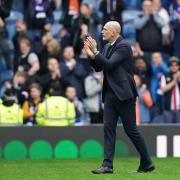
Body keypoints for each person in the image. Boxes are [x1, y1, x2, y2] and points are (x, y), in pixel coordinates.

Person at [84, 21, 154, 174]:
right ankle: (107, 165)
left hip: (124, 94)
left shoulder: (124, 46)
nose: (102, 32)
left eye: (105, 29)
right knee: (108, 128)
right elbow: (99, 67)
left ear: (114, 32)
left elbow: (109, 64)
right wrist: (91, 55)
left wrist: (96, 51)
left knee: (131, 129)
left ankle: (147, 161)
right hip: (110, 93)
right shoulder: (107, 45)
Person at [160, 57, 180, 123]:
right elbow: (163, 89)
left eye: (176, 65)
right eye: (172, 65)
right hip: (168, 109)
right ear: (169, 66)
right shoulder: (165, 75)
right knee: (168, 130)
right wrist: (174, 81)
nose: (174, 67)